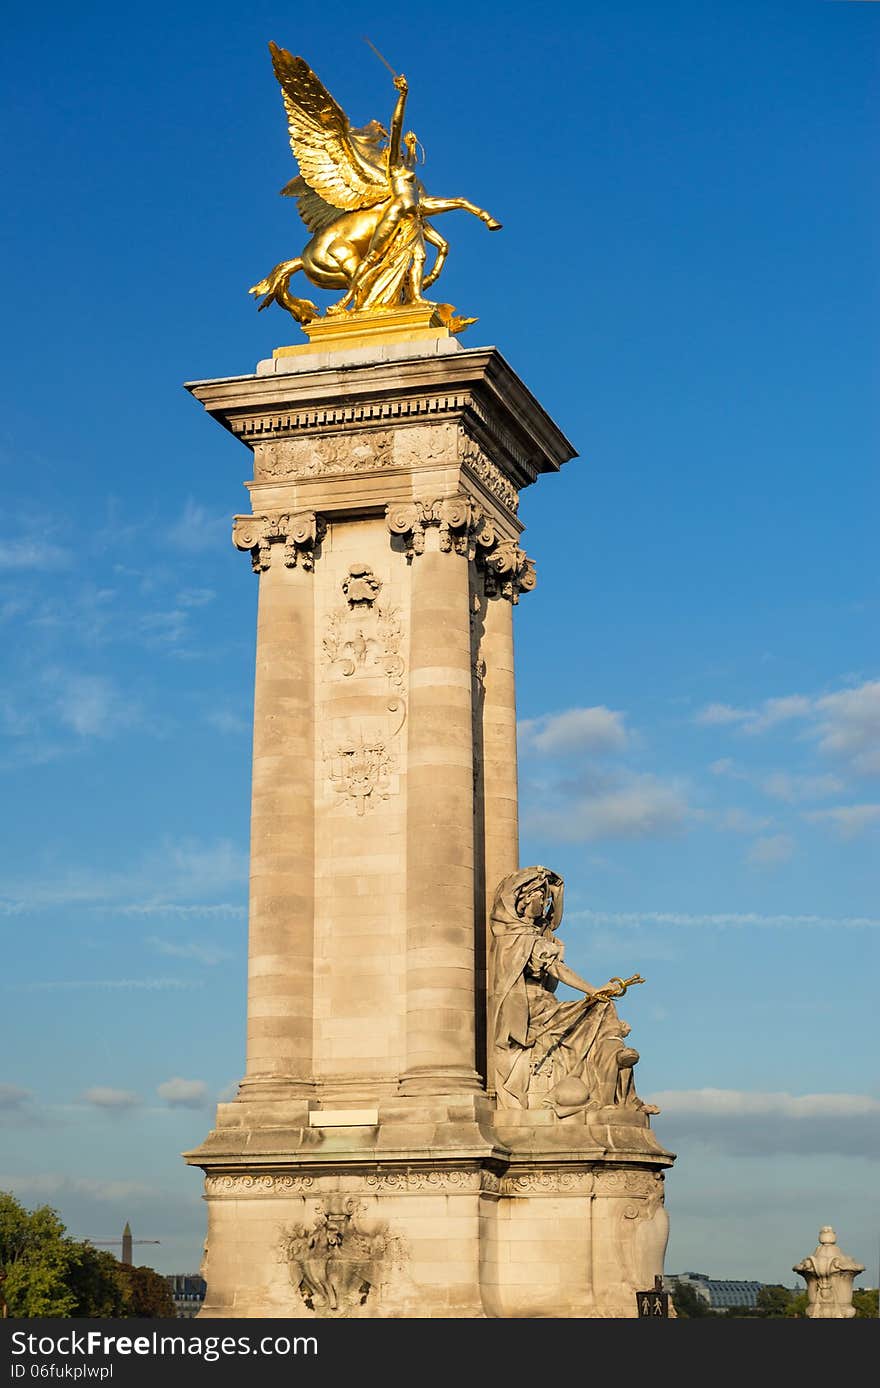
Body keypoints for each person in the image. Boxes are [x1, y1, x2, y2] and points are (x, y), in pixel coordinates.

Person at [489, 866, 653, 1114]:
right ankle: (613, 1073)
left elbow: (553, 922)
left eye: (545, 900)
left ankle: (619, 1076)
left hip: (544, 1006)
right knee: (601, 1004)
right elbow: (557, 969)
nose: (544, 905)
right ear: (524, 900)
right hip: (529, 1012)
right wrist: (594, 990)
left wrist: (558, 894)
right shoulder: (519, 938)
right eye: (540, 899)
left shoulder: (528, 935)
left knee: (603, 1007)